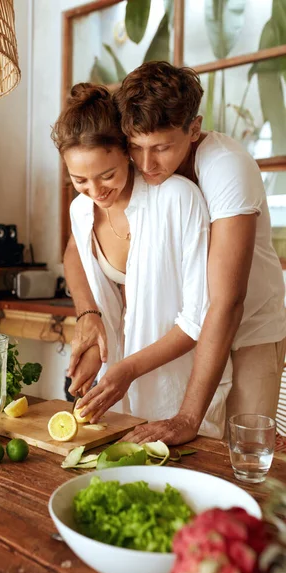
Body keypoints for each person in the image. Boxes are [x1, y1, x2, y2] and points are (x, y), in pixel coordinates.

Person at [64, 61, 286, 446]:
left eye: (162, 148)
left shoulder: (224, 169)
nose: (147, 164)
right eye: (135, 147)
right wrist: (89, 314)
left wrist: (187, 417)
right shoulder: (136, 184)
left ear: (194, 129)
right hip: (196, 331)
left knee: (242, 450)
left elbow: (226, 303)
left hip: (250, 327)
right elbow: (76, 245)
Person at [51, 82, 232, 439]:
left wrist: (127, 369)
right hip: (116, 403)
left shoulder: (179, 200)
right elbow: (81, 268)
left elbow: (198, 319)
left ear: (128, 151)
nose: (96, 190)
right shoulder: (81, 211)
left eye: (107, 175)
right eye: (79, 180)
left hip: (177, 396)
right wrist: (94, 338)